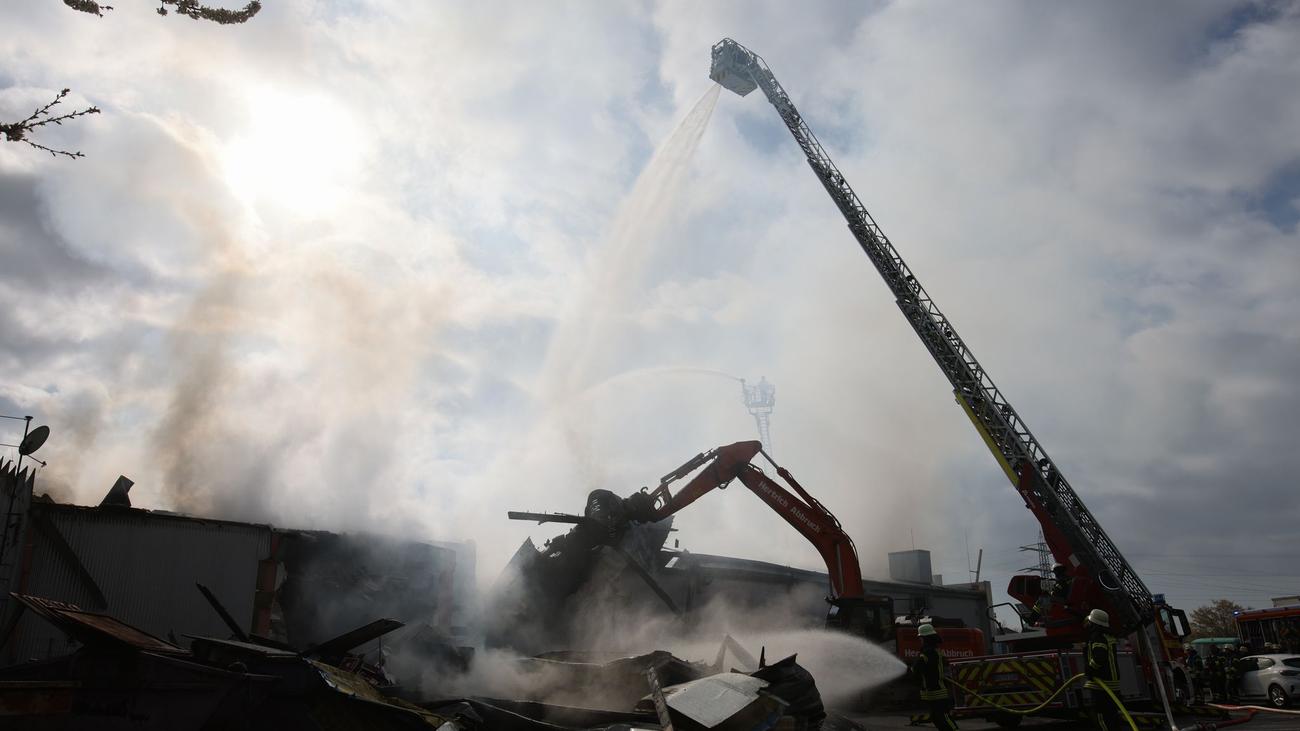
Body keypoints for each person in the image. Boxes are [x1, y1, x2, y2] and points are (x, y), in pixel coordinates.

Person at [911, 623, 959, 731]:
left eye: (921, 638)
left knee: (943, 718)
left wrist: (912, 670)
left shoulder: (928, 653)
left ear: (925, 638)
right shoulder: (934, 651)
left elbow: (916, 669)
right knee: (937, 718)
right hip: (933, 693)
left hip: (936, 692)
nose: (920, 641)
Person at [1083, 609, 1123, 731]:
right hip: (1112, 685)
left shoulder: (1097, 638)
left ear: (1094, 624)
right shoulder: (1108, 636)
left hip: (1102, 685)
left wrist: (1090, 670)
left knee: (1101, 717)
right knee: (1112, 718)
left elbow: (1099, 658)